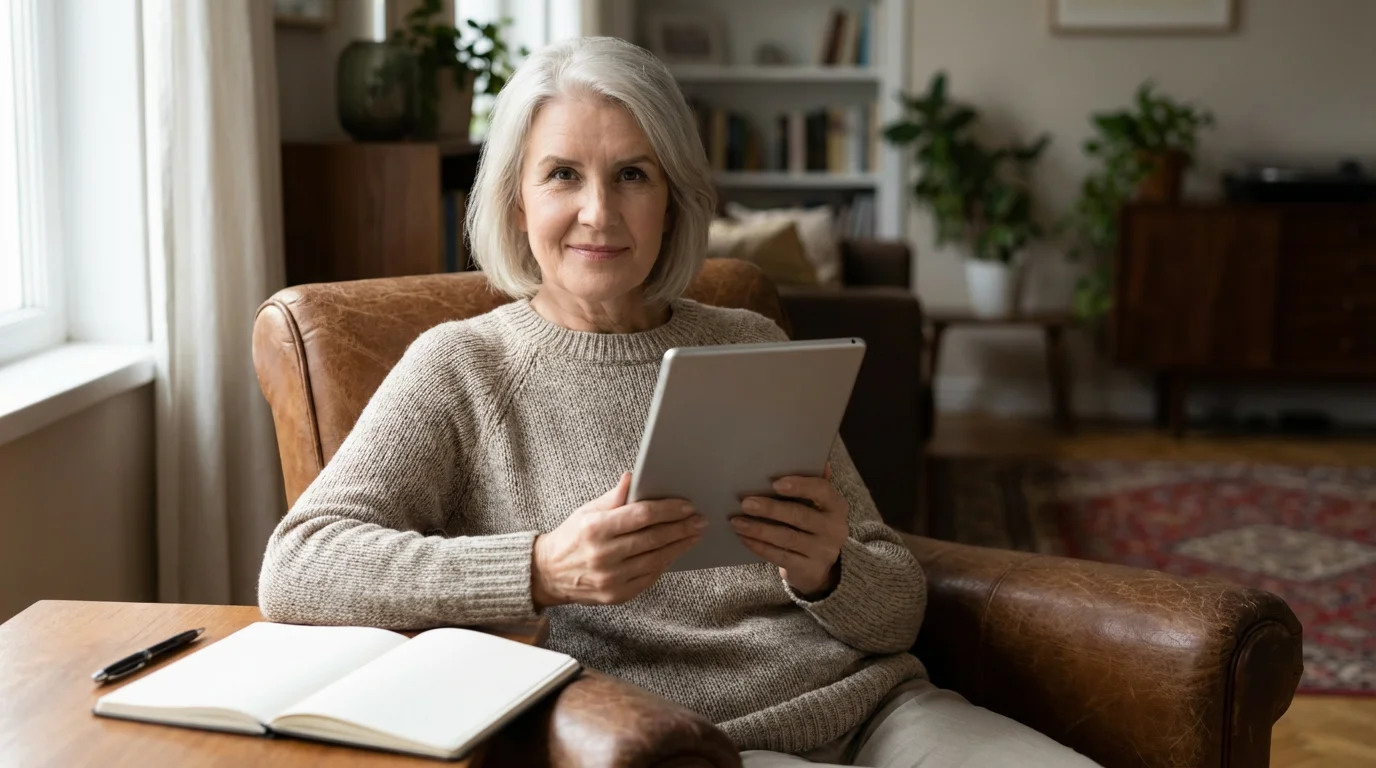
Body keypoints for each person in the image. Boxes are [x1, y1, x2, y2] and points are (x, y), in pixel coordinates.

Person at [257, 36, 1099, 768]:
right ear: (518, 199)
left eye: (633, 174)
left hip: (884, 712)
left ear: (673, 199)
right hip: (694, 747)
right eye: (563, 175)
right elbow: (297, 567)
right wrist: (540, 568)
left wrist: (830, 567)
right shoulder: (462, 366)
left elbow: (896, 608)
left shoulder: (747, 342)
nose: (599, 212)